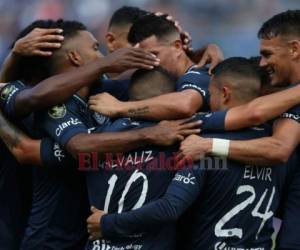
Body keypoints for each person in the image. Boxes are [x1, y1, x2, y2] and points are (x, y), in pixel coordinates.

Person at [87, 58, 297, 249]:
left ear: (224, 94)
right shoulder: (277, 147)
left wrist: (109, 223)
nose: (207, 102)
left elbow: (170, 207)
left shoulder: (200, 145)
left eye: (210, 95)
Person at [0, 19, 170, 250]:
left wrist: (186, 50)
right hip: (46, 240)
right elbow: (30, 147)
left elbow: (161, 87)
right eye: (94, 48)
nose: (102, 55)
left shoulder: (102, 93)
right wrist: (149, 135)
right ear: (75, 58)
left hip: (85, 236)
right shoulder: (46, 103)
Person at [176, 10, 300, 250]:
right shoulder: (285, 94)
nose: (263, 63)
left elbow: (278, 147)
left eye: (267, 54)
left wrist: (209, 145)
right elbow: (248, 104)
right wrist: (204, 50)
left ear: (294, 49)